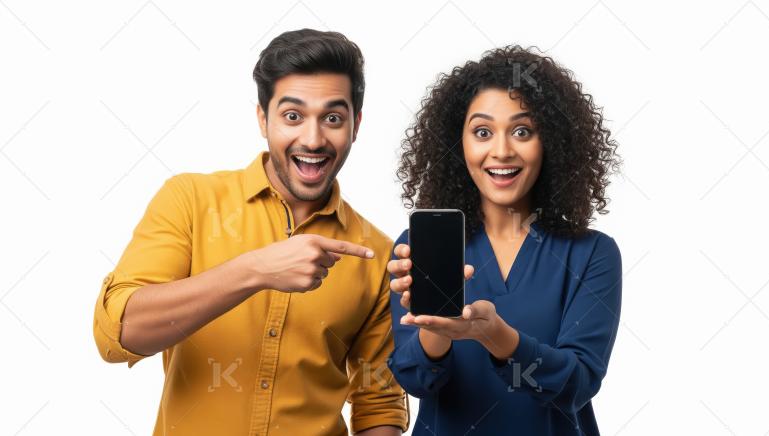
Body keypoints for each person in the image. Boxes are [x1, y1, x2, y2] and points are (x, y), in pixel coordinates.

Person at [92, 29, 407, 436]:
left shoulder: (377, 253)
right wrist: (255, 271)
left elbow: (378, 405)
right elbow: (117, 333)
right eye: (292, 116)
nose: (312, 139)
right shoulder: (190, 200)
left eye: (333, 118)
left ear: (356, 124)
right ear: (263, 118)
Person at [387, 46, 623, 435]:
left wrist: (496, 337)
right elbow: (417, 381)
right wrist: (436, 327)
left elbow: (576, 386)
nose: (501, 151)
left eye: (522, 131)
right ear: (456, 143)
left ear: (550, 142)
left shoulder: (591, 254)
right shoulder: (420, 246)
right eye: (482, 132)